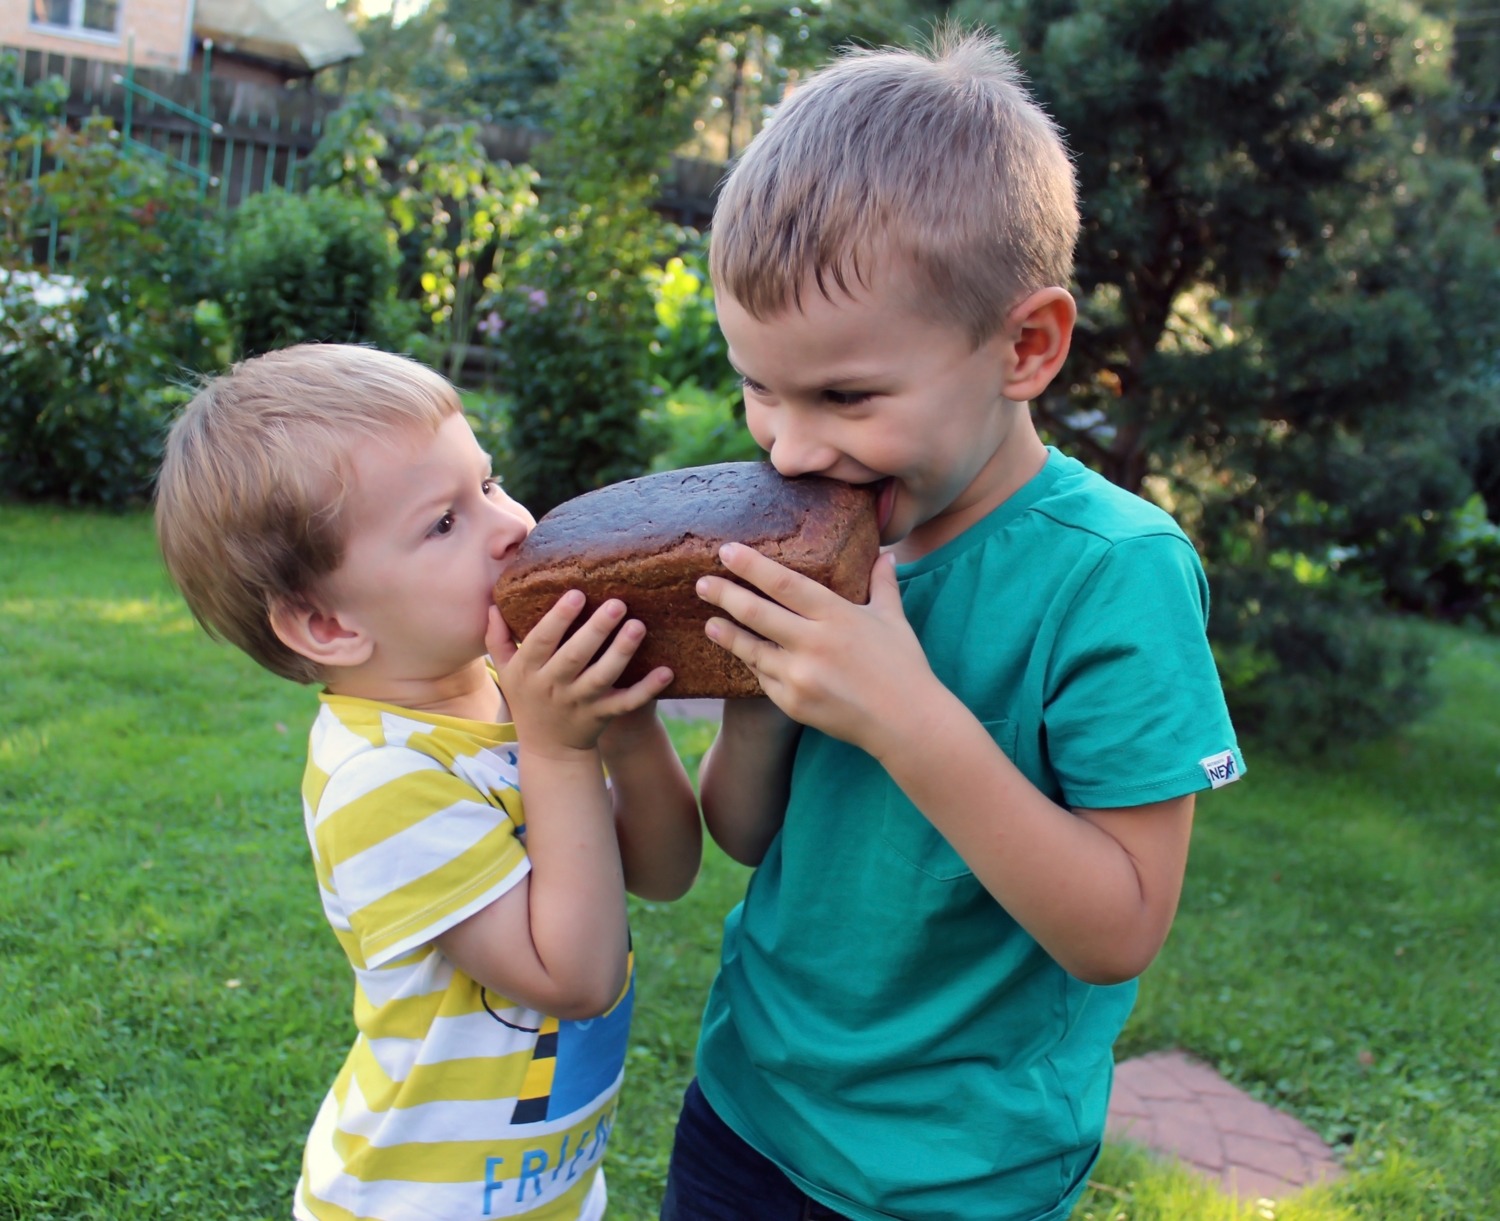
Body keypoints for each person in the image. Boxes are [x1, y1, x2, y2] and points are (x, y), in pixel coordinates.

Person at [662, 30, 1245, 1221]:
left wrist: (905, 716)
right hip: (746, 1109)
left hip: (958, 1172)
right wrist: (757, 693)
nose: (789, 447)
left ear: (1025, 346)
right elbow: (743, 831)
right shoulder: (808, 535)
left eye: (847, 396)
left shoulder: (1114, 575)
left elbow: (1119, 927)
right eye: (759, 385)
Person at [154, 344, 702, 1221]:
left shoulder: (496, 691)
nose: (511, 523)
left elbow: (666, 871)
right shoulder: (383, 779)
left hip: (545, 1193)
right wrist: (562, 751)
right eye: (443, 522)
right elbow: (579, 975)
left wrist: (627, 725)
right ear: (329, 624)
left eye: (487, 483)